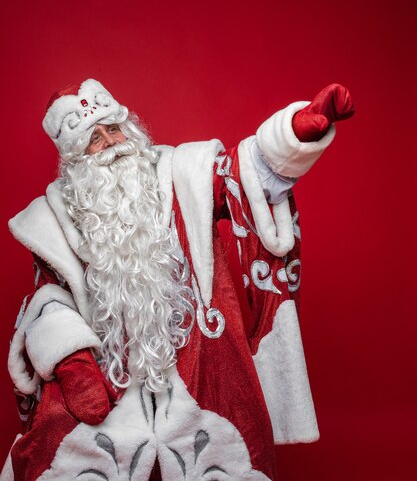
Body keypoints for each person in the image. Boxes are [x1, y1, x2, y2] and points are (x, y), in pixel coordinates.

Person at [1, 79, 354, 481]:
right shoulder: (52, 219)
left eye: (113, 129)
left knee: (237, 430)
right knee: (53, 443)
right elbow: (49, 299)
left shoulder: (182, 173)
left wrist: (291, 134)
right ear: (75, 159)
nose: (111, 144)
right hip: (109, 371)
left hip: (196, 358)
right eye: (94, 139)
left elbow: (243, 172)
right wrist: (72, 361)